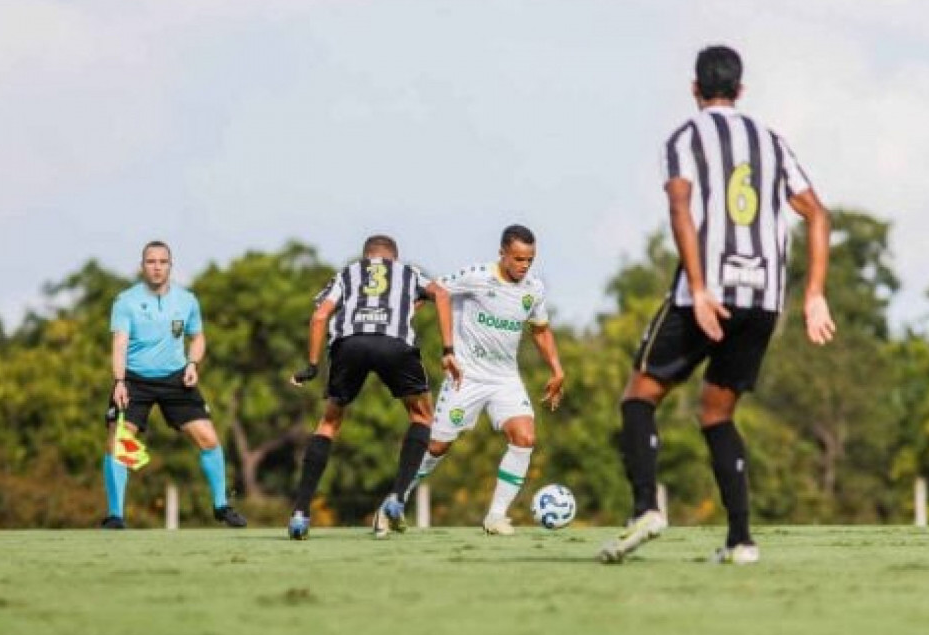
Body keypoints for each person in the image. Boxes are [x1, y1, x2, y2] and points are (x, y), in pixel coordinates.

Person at [599, 45, 835, 565]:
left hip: (706, 294)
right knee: (716, 413)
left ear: (695, 88)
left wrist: (700, 287)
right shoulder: (771, 141)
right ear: (740, 90)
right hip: (764, 300)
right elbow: (818, 214)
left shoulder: (684, 138)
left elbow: (680, 206)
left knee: (639, 397)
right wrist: (814, 293)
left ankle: (646, 508)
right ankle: (741, 541)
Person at [372, 224, 565, 537]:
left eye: (530, 259)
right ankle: (393, 503)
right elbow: (433, 291)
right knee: (437, 446)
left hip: (505, 379)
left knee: (525, 437)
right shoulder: (476, 276)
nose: (524, 265)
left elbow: (541, 330)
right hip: (466, 377)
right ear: (502, 253)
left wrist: (557, 369)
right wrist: (400, 316)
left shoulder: (534, 289)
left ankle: (496, 516)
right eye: (518, 259)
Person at [286, 234, 460, 540]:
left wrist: (312, 366)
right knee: (421, 416)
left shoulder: (347, 273)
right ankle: (397, 497)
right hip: (394, 343)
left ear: (366, 256)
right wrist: (448, 351)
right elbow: (443, 296)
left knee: (329, 422)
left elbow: (320, 316)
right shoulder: (408, 272)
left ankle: (300, 514)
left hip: (349, 344)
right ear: (394, 257)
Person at [102, 240, 247, 529]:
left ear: (170, 266)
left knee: (209, 439)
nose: (157, 267)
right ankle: (115, 515)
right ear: (142, 266)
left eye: (162, 262)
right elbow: (119, 344)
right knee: (120, 442)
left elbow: (198, 338)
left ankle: (221, 506)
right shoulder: (125, 301)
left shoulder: (187, 300)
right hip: (134, 380)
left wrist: (192, 364)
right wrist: (119, 381)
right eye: (151, 262)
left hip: (176, 379)